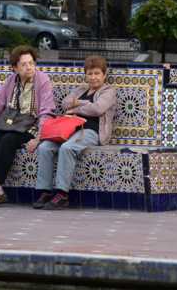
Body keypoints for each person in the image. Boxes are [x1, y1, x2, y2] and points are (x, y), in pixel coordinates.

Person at [0, 45, 55, 206]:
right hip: (11, 124)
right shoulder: (11, 81)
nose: (29, 67)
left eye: (31, 63)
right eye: (24, 64)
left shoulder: (42, 80)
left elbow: (46, 112)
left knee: (8, 140)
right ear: (15, 68)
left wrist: (38, 138)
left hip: (31, 127)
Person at [32, 55, 117, 210]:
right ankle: (44, 191)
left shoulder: (109, 91)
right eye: (90, 73)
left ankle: (62, 194)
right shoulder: (80, 89)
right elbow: (65, 104)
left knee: (67, 148)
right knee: (45, 147)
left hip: (91, 131)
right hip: (68, 128)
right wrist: (84, 104)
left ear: (104, 75)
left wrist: (77, 105)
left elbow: (98, 109)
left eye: (97, 73)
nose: (93, 77)